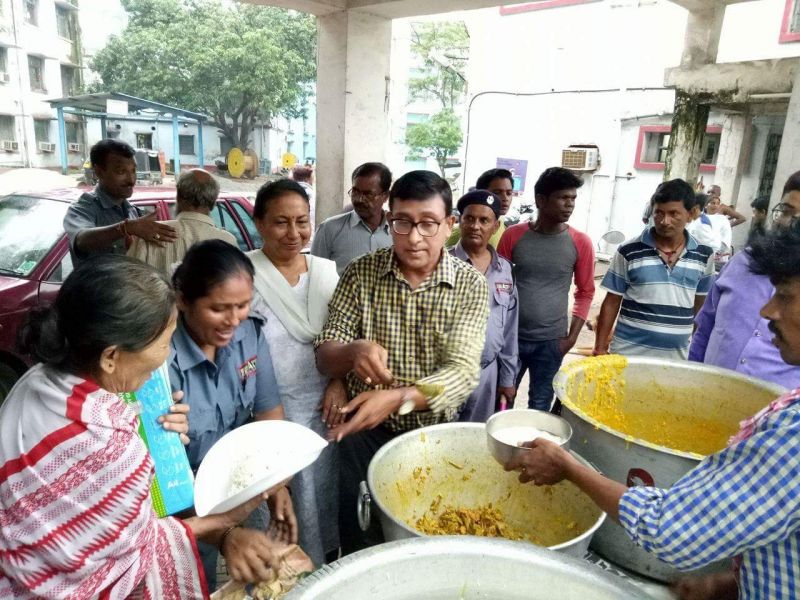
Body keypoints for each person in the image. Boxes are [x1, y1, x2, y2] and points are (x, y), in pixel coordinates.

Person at [508, 220, 800, 600]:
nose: (767, 310)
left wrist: (568, 467)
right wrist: (728, 584)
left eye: (786, 296)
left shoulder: (792, 431)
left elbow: (669, 528)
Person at [0, 255, 282, 598]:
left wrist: (150, 431)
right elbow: (137, 550)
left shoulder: (34, 382)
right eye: (165, 341)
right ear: (110, 357)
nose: (166, 356)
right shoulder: (115, 448)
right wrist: (225, 523)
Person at [313, 170, 489, 554]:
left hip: (431, 438)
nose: (413, 237)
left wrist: (395, 398)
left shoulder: (470, 285)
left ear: (449, 225)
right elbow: (326, 354)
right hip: (361, 436)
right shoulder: (362, 273)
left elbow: (461, 373)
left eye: (427, 224)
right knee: (359, 536)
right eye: (402, 222)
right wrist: (352, 353)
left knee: (417, 537)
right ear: (389, 219)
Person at [169, 240, 296, 589]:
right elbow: (160, 477)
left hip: (228, 493)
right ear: (183, 300)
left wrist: (277, 484)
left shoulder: (249, 334)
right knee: (186, 580)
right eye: (219, 308)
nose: (233, 320)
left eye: (243, 305)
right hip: (174, 507)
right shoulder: (160, 360)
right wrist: (225, 534)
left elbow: (269, 415)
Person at [247, 179, 343, 566]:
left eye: (302, 221)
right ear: (259, 223)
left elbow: (344, 336)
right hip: (261, 415)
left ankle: (320, 579)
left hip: (321, 411)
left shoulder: (327, 274)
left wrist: (338, 380)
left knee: (318, 503)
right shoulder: (244, 274)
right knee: (270, 505)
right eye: (280, 222)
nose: (294, 233)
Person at [497, 167, 595, 411]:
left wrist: (571, 339)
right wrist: (499, 334)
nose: (569, 204)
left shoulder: (580, 242)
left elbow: (585, 291)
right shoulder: (513, 236)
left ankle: (533, 449)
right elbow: (498, 287)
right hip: (512, 340)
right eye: (563, 198)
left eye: (573, 198)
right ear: (541, 199)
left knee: (540, 405)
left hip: (552, 342)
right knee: (501, 400)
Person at [690, 175, 800, 389]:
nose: (788, 222)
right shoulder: (742, 262)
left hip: (775, 413)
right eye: (786, 211)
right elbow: (704, 328)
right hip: (707, 400)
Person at [594, 179, 714, 360]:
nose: (665, 221)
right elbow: (612, 301)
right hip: (627, 354)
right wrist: (600, 349)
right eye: (659, 213)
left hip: (677, 357)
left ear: (690, 215)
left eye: (674, 214)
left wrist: (696, 349)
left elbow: (701, 306)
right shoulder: (629, 250)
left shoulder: (704, 255)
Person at [449, 190, 518, 422]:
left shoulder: (505, 271)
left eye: (484, 220)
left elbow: (509, 330)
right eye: (469, 218)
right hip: (447, 372)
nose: (475, 226)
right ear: (459, 221)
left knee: (476, 441)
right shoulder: (440, 264)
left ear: (496, 226)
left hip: (487, 373)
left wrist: (507, 379)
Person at [63, 139, 177, 265]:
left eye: (133, 171)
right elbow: (81, 240)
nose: (131, 180)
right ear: (99, 171)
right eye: (121, 172)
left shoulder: (133, 211)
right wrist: (126, 228)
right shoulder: (83, 208)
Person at [127, 168, 236, 275]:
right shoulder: (228, 242)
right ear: (213, 203)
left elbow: (127, 282)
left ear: (178, 196)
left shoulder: (149, 234)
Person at [311, 162, 393, 274]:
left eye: (368, 194)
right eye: (355, 192)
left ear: (385, 196)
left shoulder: (398, 232)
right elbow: (315, 275)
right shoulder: (329, 229)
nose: (359, 199)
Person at [447, 168, 515, 248]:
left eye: (509, 193)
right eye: (497, 193)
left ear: (496, 226)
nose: (505, 198)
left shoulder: (502, 225)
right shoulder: (463, 232)